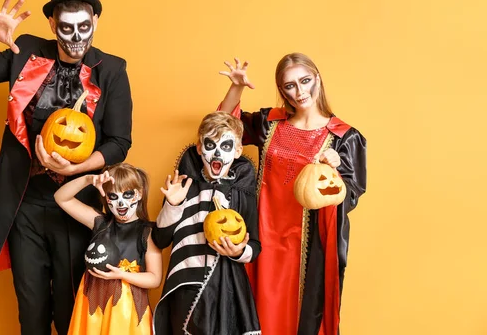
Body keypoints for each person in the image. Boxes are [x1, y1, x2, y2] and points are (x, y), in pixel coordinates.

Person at [0, 0, 133, 334]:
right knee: (31, 307)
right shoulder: (28, 53)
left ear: (95, 22)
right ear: (52, 25)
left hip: (76, 204)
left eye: (85, 27)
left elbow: (119, 143)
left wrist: (76, 164)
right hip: (26, 203)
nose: (76, 38)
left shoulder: (112, 70)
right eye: (67, 28)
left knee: (70, 304)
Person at [218, 53, 367, 335]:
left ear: (317, 79)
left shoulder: (345, 137)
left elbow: (350, 195)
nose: (299, 92)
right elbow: (223, 129)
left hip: (306, 243)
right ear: (281, 90)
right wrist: (236, 87)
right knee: (254, 308)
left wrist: (334, 171)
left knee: (296, 314)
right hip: (261, 231)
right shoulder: (269, 122)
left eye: (305, 81)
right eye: (289, 86)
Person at [152, 111, 261, 335]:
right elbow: (159, 239)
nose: (217, 153)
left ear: (238, 151)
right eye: (210, 145)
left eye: (226, 146)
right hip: (185, 283)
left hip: (226, 286)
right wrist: (172, 204)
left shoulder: (242, 193)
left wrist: (239, 251)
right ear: (200, 148)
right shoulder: (183, 185)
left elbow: (256, 245)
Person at [53, 162, 162, 334]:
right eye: (113, 196)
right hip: (93, 303)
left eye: (127, 194)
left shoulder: (148, 231)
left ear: (139, 194)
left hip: (127, 310)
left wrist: (121, 275)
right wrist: (88, 179)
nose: (120, 203)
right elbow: (61, 198)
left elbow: (155, 279)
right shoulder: (100, 223)